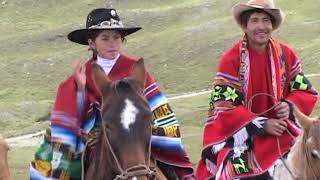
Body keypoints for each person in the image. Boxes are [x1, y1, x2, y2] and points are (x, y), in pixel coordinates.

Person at [30, 8, 195, 179]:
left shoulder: (135, 68)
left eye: (117, 37)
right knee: (61, 162)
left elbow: (157, 109)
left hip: (136, 133)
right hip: (98, 136)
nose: (112, 43)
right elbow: (71, 117)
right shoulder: (83, 73)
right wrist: (79, 90)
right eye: (105, 38)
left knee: (170, 169)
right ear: (92, 43)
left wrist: (150, 129)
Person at [196, 0, 318, 179]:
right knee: (231, 171)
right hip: (240, 137)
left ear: (272, 25)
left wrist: (289, 105)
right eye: (254, 20)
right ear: (245, 26)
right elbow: (225, 108)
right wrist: (262, 124)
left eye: (265, 20)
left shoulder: (286, 54)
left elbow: (306, 91)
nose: (261, 26)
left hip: (281, 129)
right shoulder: (231, 61)